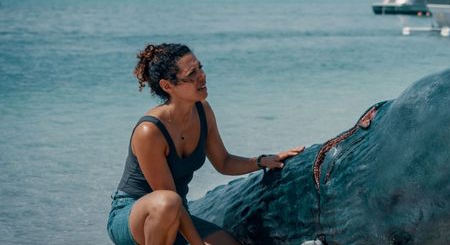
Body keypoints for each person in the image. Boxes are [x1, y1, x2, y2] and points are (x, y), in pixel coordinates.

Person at [107, 43, 304, 245]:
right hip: (135, 218)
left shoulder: (202, 110)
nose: (202, 76)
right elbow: (167, 197)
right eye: (192, 73)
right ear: (168, 86)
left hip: (179, 212)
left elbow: (224, 162)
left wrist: (263, 161)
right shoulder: (150, 131)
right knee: (168, 202)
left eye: (200, 67)